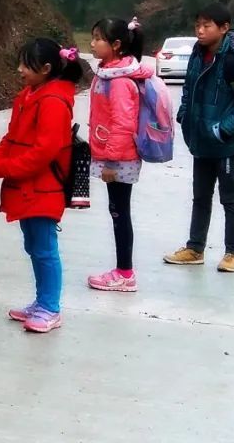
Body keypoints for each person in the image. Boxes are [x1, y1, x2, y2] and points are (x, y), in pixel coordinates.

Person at [0, 37, 84, 333]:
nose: (20, 70)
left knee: (44, 249)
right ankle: (41, 302)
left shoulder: (53, 102)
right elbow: (12, 137)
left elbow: (43, 152)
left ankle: (50, 308)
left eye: (26, 65)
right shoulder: (28, 95)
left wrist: (3, 167)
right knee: (35, 246)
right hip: (28, 188)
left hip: (43, 188)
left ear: (46, 68)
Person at [164, 2, 234, 273]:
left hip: (227, 143)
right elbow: (188, 88)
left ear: (224, 28)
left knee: (229, 198)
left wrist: (224, 130)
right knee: (200, 196)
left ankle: (233, 253)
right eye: (197, 25)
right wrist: (185, 114)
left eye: (206, 26)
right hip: (201, 139)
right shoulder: (198, 53)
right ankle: (195, 248)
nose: (200, 30)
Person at [86, 17, 151, 292]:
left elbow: (123, 123)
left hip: (119, 158)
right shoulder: (108, 73)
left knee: (119, 213)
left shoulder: (120, 81)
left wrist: (111, 161)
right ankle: (123, 271)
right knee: (118, 211)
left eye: (97, 38)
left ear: (115, 45)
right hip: (114, 154)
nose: (92, 43)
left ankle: (125, 273)